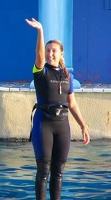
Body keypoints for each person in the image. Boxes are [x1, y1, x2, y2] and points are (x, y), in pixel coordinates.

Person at [25, 18, 90, 200]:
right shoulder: (41, 72)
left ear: (61, 54)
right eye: (48, 50)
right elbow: (38, 56)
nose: (49, 54)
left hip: (62, 125)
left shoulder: (67, 76)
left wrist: (83, 126)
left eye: (54, 51)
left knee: (58, 171)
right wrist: (40, 31)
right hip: (43, 123)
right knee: (44, 170)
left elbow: (73, 103)